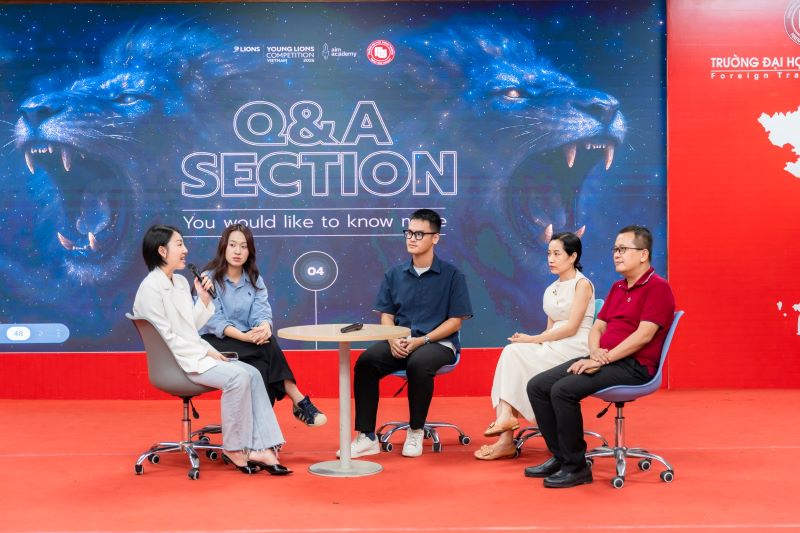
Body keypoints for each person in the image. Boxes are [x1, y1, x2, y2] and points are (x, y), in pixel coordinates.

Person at [132, 224, 291, 476]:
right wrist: (204, 351)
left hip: (192, 353)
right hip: (177, 362)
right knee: (238, 378)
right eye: (179, 244)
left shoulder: (180, 282)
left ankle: (265, 447)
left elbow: (190, 327)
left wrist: (204, 299)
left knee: (252, 373)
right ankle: (235, 448)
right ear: (162, 251)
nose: (185, 250)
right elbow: (167, 338)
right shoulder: (150, 289)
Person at [525, 225, 675, 488]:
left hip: (634, 366)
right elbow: (598, 327)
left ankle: (577, 468)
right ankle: (561, 457)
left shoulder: (658, 288)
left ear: (643, 254)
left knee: (563, 390)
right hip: (605, 358)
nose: (616, 254)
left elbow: (643, 336)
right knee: (537, 385)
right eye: (615, 249)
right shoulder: (618, 287)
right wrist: (594, 351)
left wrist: (601, 359)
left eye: (623, 249)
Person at [341, 208, 473, 459]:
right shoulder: (394, 274)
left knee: (418, 363)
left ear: (435, 238)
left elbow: (455, 322)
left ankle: (416, 430)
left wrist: (422, 340)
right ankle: (366, 437)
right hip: (401, 342)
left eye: (419, 234)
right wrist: (392, 338)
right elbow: (387, 314)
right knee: (366, 362)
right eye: (409, 233)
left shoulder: (453, 276)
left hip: (437, 343)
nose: (412, 238)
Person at [475, 232, 594, 460]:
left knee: (516, 355)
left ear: (572, 257)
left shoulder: (582, 285)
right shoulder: (551, 289)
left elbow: (571, 328)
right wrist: (532, 339)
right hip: (555, 344)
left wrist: (531, 340)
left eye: (557, 254)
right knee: (512, 352)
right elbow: (550, 329)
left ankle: (506, 433)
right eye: (549, 253)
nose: (551, 259)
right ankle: (506, 423)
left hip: (576, 347)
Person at [198, 223, 326, 427]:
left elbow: (262, 312)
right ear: (224, 247)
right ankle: (298, 400)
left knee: (262, 367)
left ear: (250, 251)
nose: (238, 251)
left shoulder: (254, 279)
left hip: (247, 342)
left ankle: (259, 431)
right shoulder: (209, 278)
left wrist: (264, 326)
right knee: (267, 346)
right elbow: (215, 321)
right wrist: (245, 337)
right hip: (214, 342)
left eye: (243, 246)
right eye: (233, 245)